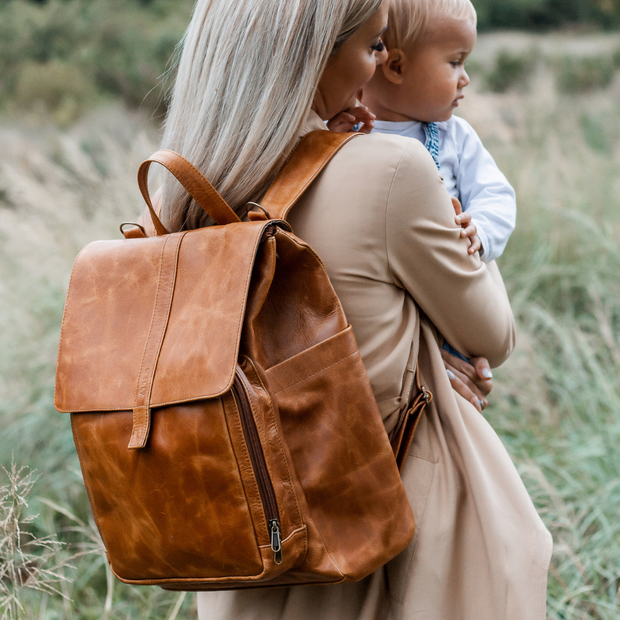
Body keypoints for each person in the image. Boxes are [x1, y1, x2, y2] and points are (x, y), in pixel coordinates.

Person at [157, 0, 552, 618]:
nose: (376, 71)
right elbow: (492, 334)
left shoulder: (186, 192)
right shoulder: (394, 168)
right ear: (315, 55)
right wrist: (454, 226)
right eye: (372, 46)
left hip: (245, 554)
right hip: (383, 547)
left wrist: (407, 351)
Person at [332, 0, 517, 264]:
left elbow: (496, 195)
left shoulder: (454, 136)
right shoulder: (345, 131)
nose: (465, 78)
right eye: (455, 62)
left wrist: (482, 229)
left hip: (439, 269)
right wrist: (327, 143)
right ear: (396, 66)